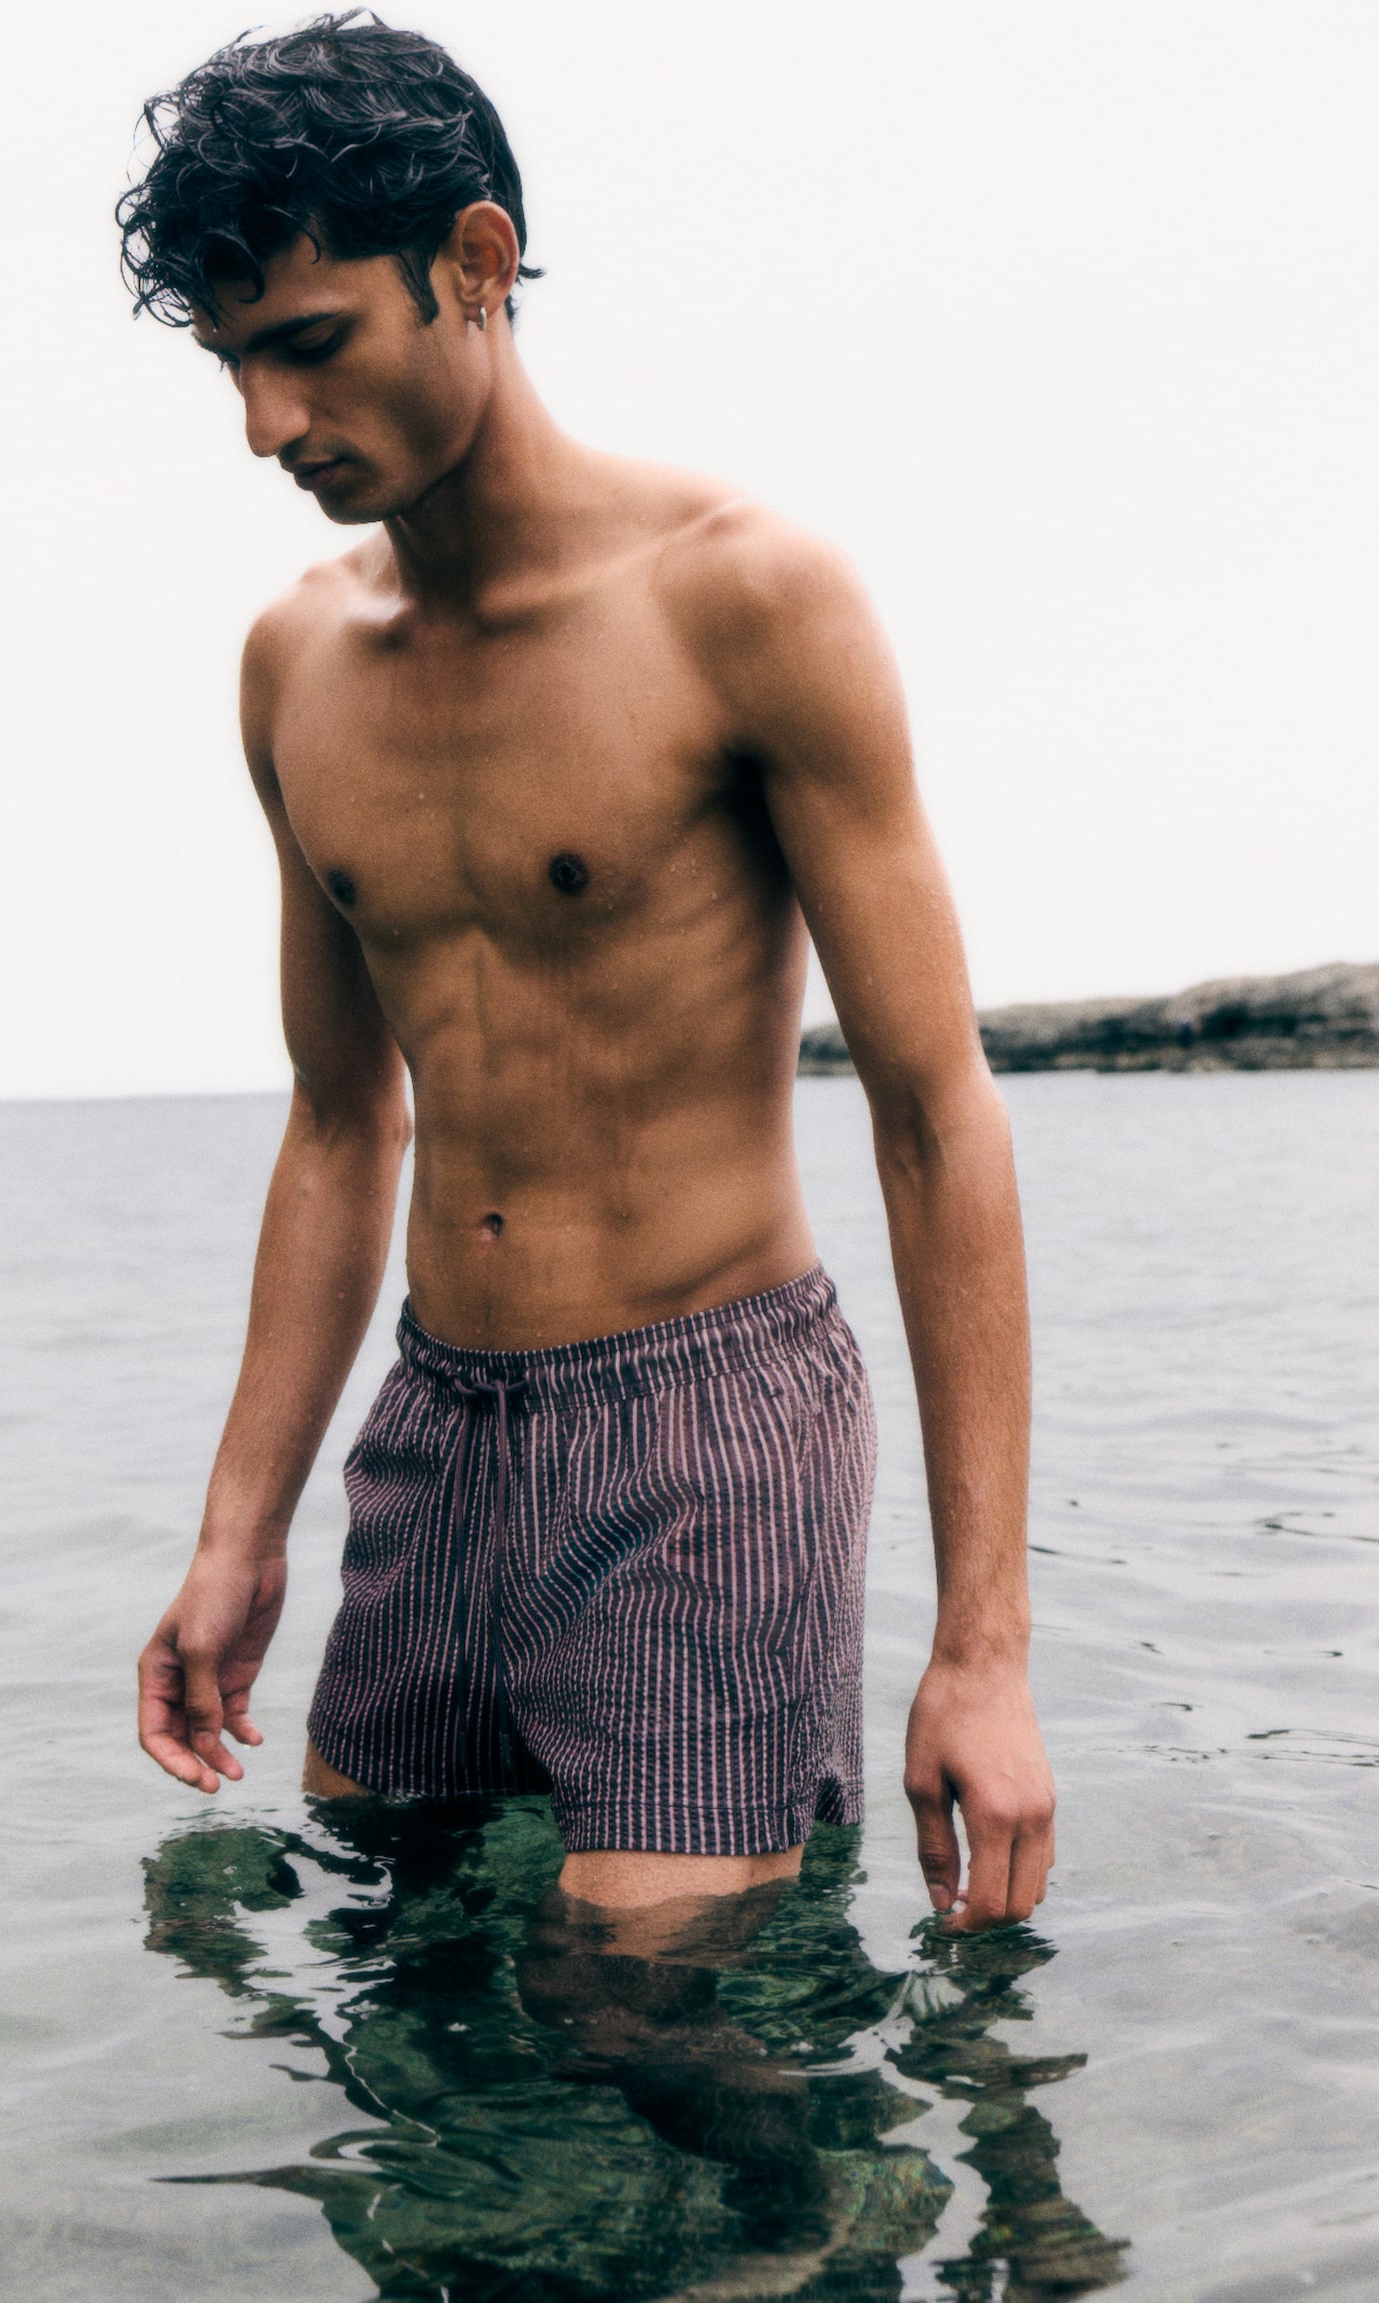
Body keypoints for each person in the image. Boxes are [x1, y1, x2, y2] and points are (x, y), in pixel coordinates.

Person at [122, 10, 1055, 1933]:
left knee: (650, 2005)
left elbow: (934, 1111)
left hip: (707, 1422)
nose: (266, 427)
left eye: (311, 344)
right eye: (232, 364)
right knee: (400, 1959)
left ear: (475, 263)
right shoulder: (294, 665)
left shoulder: (743, 599)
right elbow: (338, 1119)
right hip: (434, 1427)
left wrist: (982, 1646)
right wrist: (239, 1530)